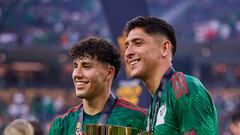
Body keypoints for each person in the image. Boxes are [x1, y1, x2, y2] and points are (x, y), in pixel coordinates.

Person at [124, 16, 218, 135]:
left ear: (164, 48)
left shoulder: (186, 88)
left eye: (138, 43)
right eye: (126, 46)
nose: (128, 53)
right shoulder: (153, 108)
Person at [49, 37, 146, 135]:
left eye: (87, 67)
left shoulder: (137, 119)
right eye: (75, 66)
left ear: (108, 73)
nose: (77, 74)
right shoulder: (62, 125)